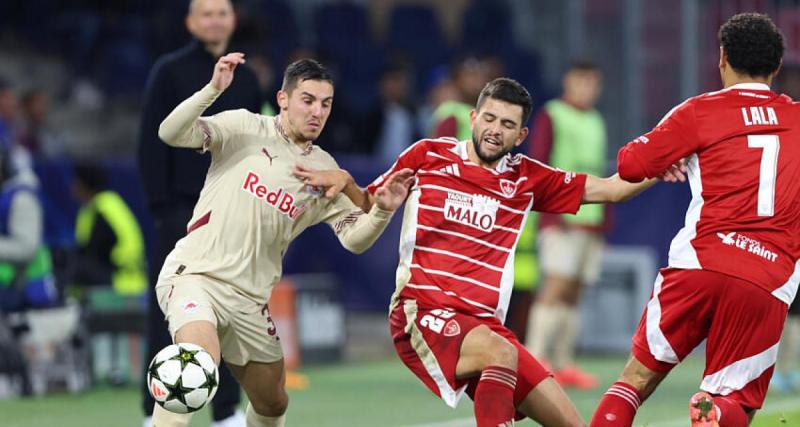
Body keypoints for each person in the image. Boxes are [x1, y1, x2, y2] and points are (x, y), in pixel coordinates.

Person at [295, 77, 680, 427]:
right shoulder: (429, 155)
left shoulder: (527, 178)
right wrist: (346, 181)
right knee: (500, 351)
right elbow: (369, 202)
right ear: (474, 117)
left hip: (484, 328)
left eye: (507, 125)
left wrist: (660, 162)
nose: (495, 131)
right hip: (422, 311)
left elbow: (611, 189)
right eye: (490, 119)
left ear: (520, 135)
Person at [152, 55, 412, 427]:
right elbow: (170, 132)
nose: (317, 112)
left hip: (250, 300)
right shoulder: (243, 126)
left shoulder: (326, 170)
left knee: (273, 403)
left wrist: (382, 210)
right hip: (196, 275)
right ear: (283, 99)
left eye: (326, 104)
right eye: (308, 100)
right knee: (194, 363)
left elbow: (355, 240)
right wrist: (213, 90)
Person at [588, 13, 800, 427]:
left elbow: (631, 165)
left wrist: (675, 153)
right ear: (776, 68)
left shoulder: (700, 112)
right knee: (737, 402)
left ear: (721, 58)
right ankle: (714, 410)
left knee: (633, 382)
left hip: (699, 264)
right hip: (766, 277)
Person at [136, 0, 261, 425]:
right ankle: (156, 411)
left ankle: (225, 410)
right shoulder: (168, 71)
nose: (214, 19)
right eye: (205, 13)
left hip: (229, 218)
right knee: (167, 314)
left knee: (227, 313)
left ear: (233, 20)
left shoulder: (250, 80)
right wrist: (162, 209)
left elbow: (254, 150)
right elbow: (152, 144)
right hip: (178, 214)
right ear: (191, 22)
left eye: (221, 12)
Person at [526, 60, 606, 390]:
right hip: (560, 219)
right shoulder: (552, 114)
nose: (587, 87)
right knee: (555, 286)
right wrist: (552, 214)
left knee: (574, 293)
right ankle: (534, 359)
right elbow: (539, 163)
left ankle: (562, 362)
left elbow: (599, 171)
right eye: (581, 81)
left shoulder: (596, 120)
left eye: (592, 82)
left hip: (591, 222)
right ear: (568, 81)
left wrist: (604, 220)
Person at [72, 164, 147, 297]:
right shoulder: (100, 205)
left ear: (85, 185)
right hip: (117, 272)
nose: (73, 188)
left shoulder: (103, 209)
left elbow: (96, 252)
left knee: (74, 269)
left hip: (122, 279)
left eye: (76, 183)